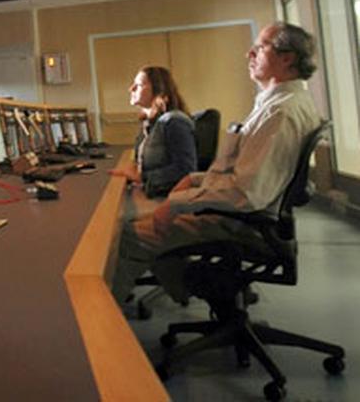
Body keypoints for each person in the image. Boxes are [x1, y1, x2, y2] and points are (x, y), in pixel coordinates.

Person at [111, 23, 322, 303]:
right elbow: (239, 174)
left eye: (260, 47)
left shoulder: (280, 113)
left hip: (242, 222)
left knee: (125, 237)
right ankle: (201, 289)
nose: (250, 53)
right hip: (249, 216)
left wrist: (175, 203)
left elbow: (243, 193)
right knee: (144, 220)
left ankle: (97, 336)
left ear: (287, 58)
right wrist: (195, 181)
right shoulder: (280, 104)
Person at [110, 66, 197, 199]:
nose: (131, 89)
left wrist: (141, 177)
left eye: (138, 85)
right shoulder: (151, 124)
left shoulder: (174, 122)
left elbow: (185, 171)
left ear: (158, 90)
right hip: (150, 191)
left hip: (164, 200)